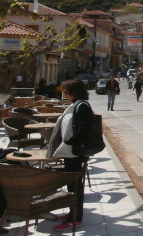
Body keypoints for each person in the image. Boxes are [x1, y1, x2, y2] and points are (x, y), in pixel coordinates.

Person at [50, 79, 93, 232]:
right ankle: (72, 213)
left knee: (75, 186)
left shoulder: (81, 107)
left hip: (75, 153)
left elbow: (83, 128)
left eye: (66, 92)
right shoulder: (76, 104)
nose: (64, 94)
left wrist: (69, 142)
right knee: (72, 185)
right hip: (71, 152)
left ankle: (76, 217)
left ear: (74, 92)